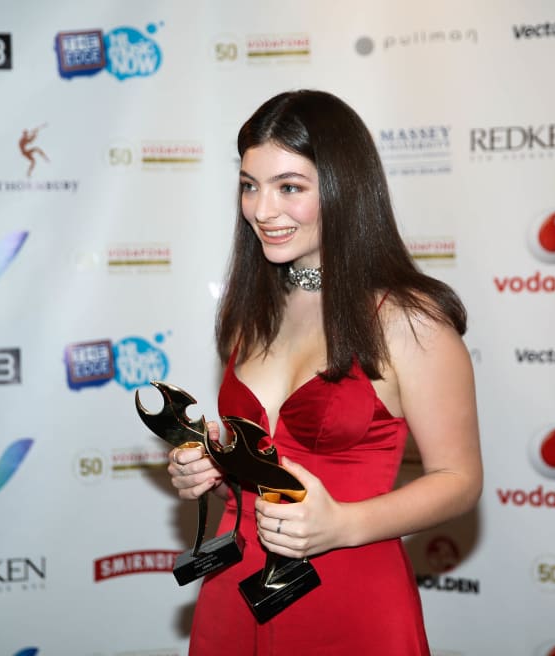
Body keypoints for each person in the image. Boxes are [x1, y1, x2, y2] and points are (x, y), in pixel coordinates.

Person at [167, 89, 482, 655]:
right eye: (249, 185)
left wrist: (341, 525)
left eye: (289, 187)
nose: (262, 210)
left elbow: (459, 481)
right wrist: (213, 470)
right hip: (234, 591)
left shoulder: (409, 320)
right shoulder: (250, 311)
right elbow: (262, 469)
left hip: (349, 594)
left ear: (342, 188)